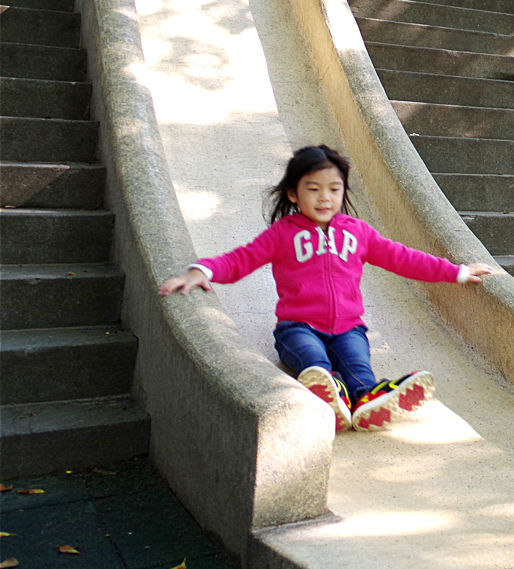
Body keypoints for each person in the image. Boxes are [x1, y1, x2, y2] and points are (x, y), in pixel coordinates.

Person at [158, 144, 494, 432]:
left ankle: (366, 402)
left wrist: (458, 272)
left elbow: (403, 258)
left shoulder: (358, 233)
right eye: (313, 188)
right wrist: (201, 271)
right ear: (293, 193)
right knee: (315, 362)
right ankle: (330, 394)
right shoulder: (282, 234)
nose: (324, 197)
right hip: (297, 328)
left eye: (334, 189)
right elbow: (240, 260)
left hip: (349, 328)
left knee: (359, 367)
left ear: (343, 191)